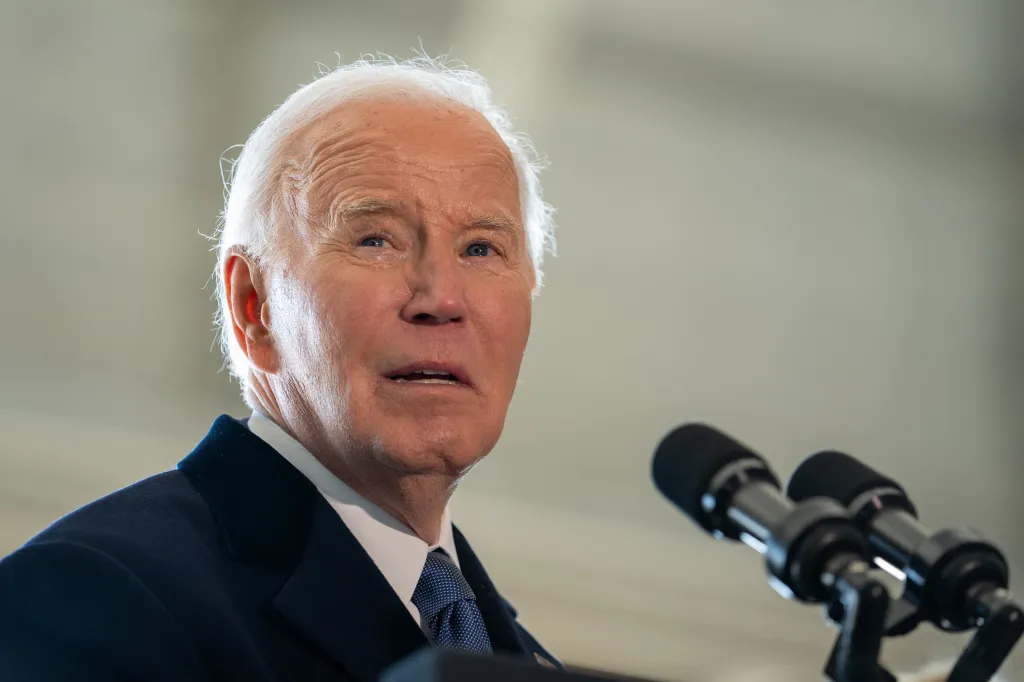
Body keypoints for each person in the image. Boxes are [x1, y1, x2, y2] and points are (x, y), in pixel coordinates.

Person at [0, 55, 559, 682]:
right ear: (255, 306)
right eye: (376, 240)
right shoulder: (98, 595)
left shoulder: (511, 654)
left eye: (482, 248)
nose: (443, 300)